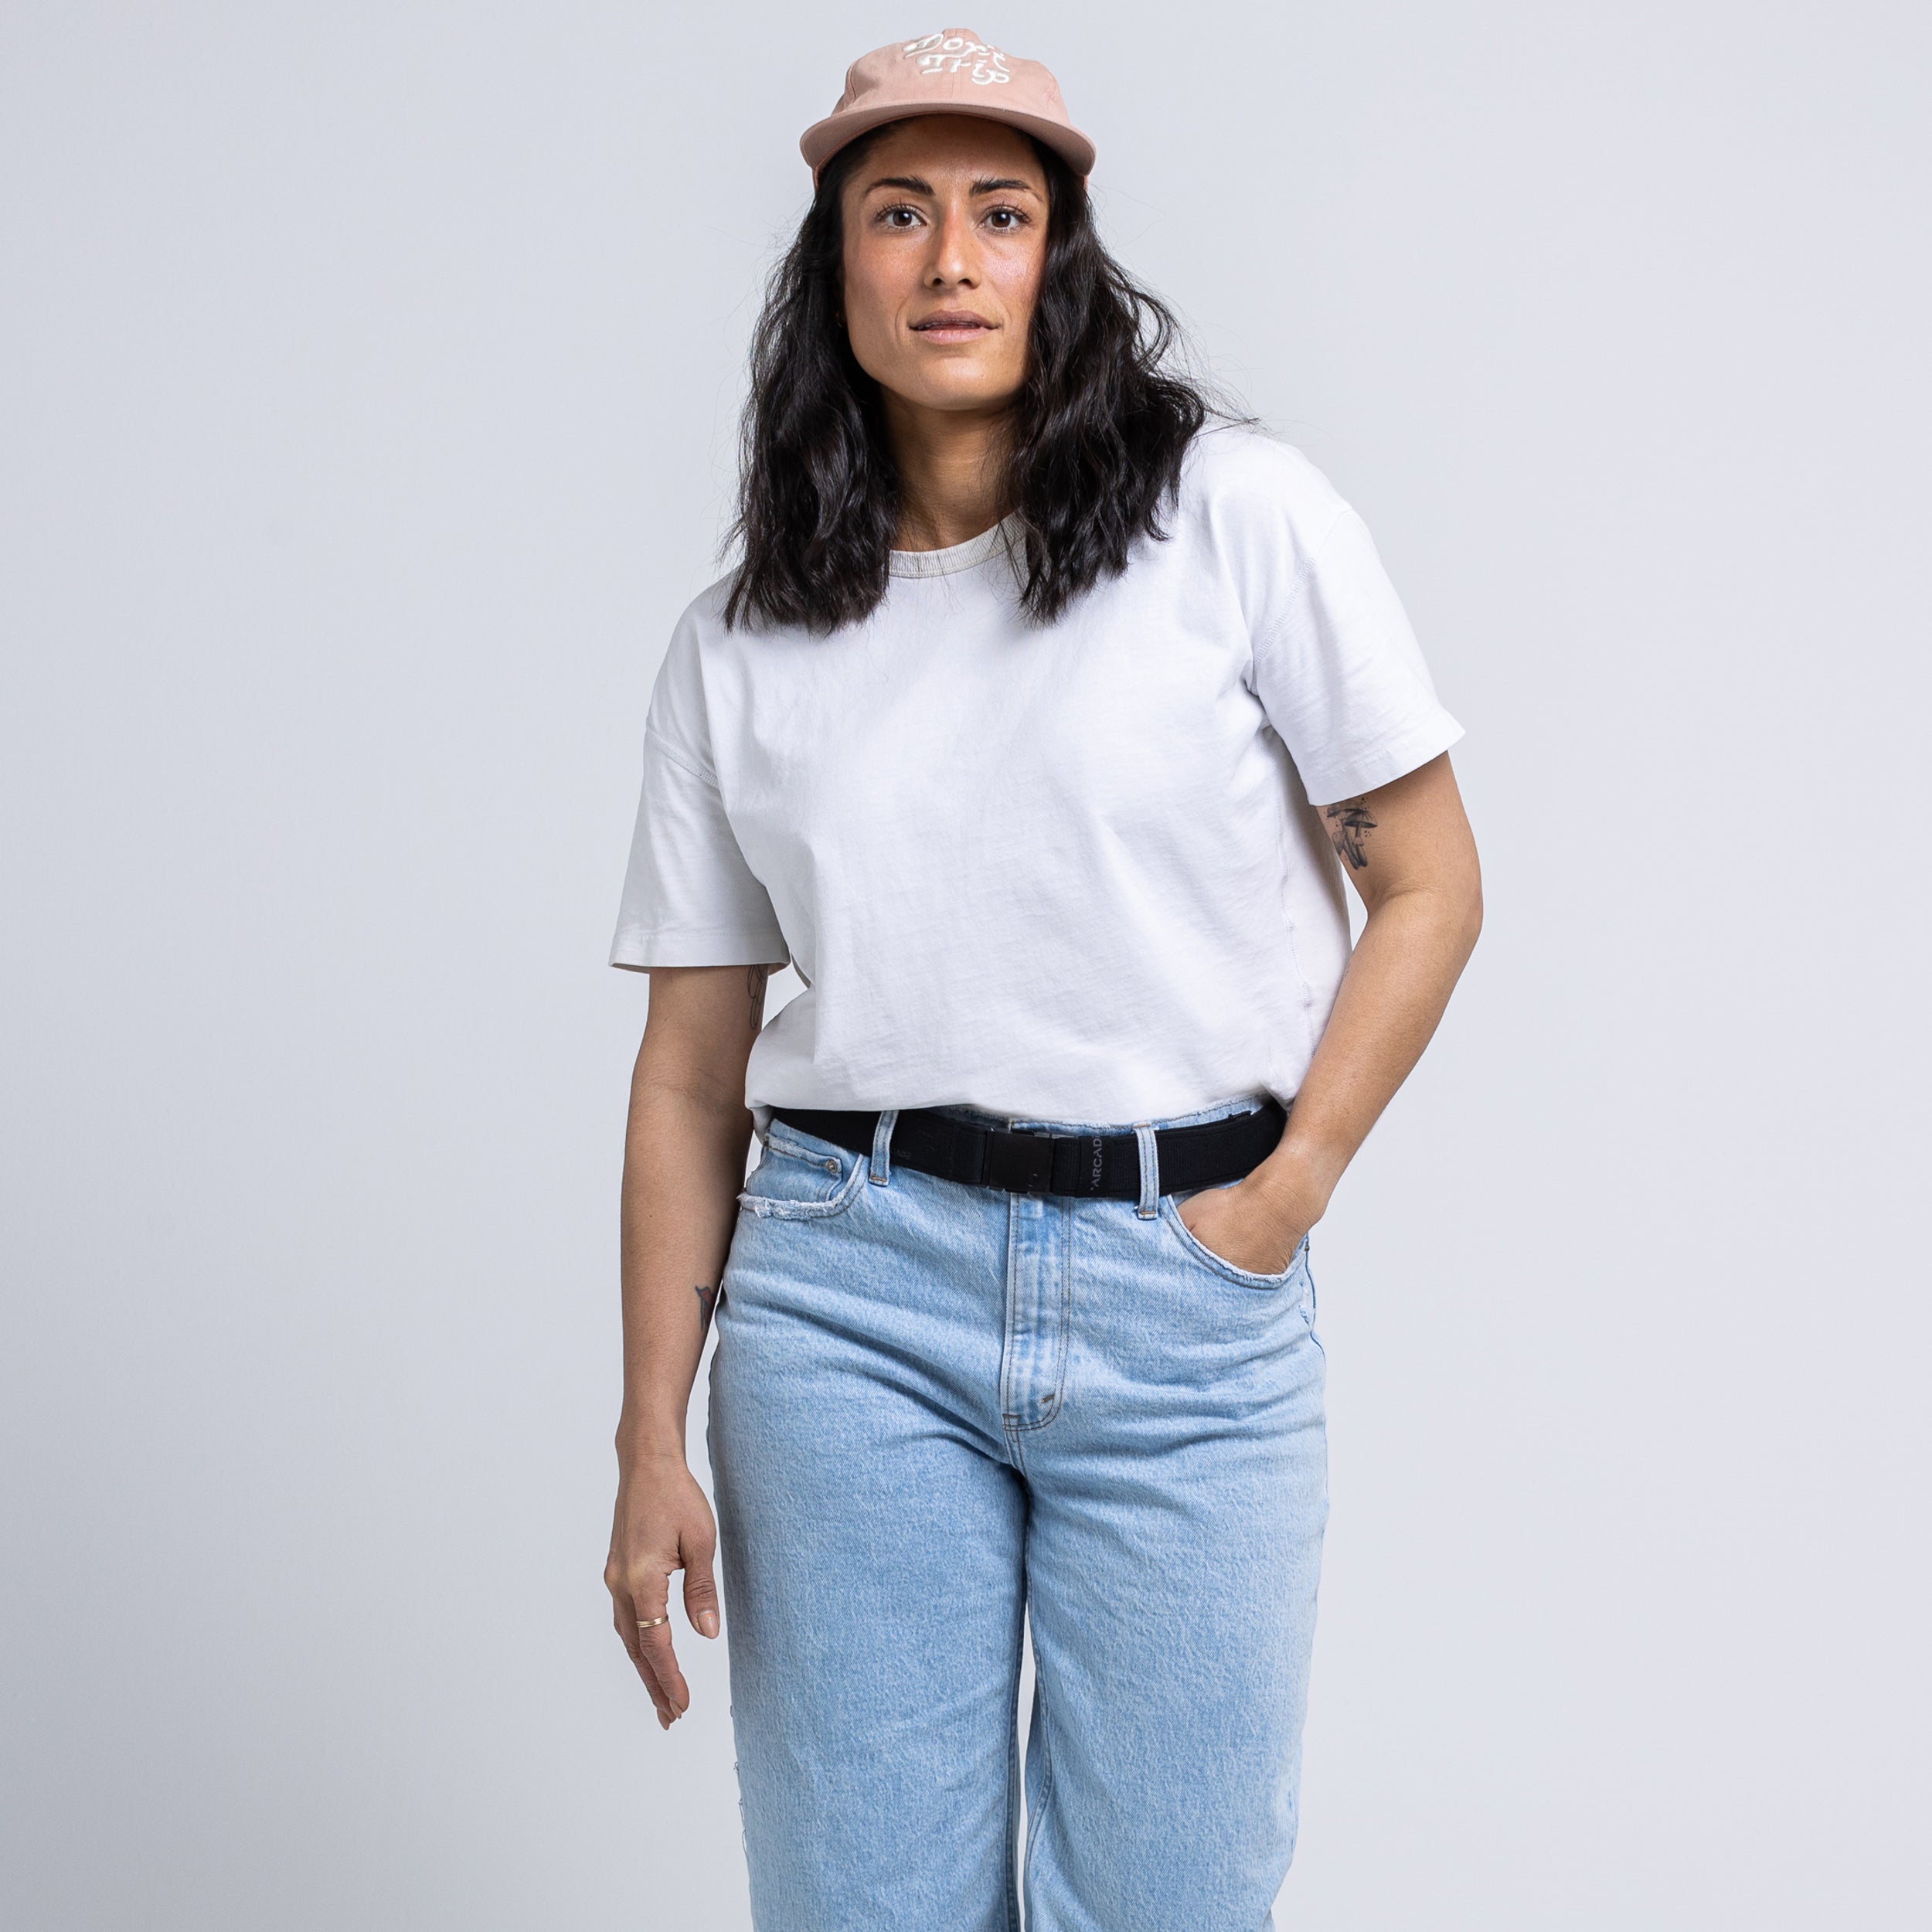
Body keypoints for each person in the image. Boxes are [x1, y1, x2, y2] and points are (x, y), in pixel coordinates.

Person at [603, 28, 1481, 1930]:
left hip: (1186, 1297)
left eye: (999, 214)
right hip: (846, 1300)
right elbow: (687, 1070)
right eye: (896, 212)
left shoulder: (1231, 517)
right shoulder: (738, 643)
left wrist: (1285, 1190)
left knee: (1169, 1901)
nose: (949, 259)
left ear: (1058, 254)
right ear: (833, 264)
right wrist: (648, 1432)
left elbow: (1425, 880)